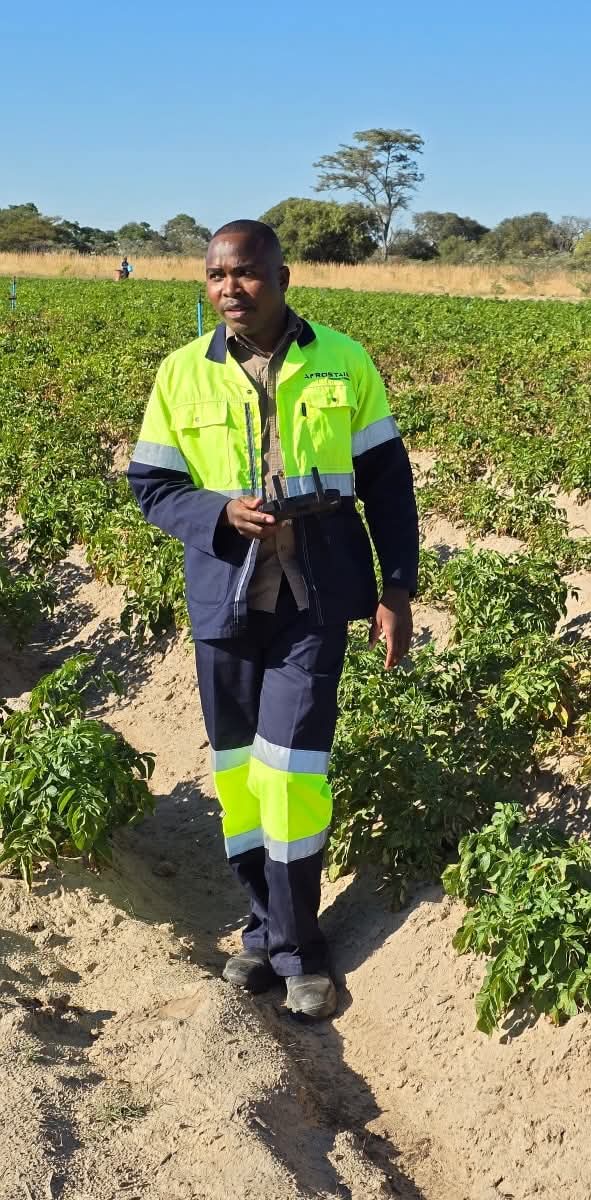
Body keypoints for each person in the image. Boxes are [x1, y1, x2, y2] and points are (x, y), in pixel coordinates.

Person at [127, 220, 419, 1018]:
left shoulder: (343, 360)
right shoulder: (182, 373)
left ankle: (299, 951)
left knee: (291, 774)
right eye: (217, 275)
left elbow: (388, 483)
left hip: (314, 596)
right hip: (225, 598)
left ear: (283, 278)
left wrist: (397, 589)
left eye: (247, 273)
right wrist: (219, 513)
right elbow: (152, 485)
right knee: (238, 777)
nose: (230, 288)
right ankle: (261, 930)